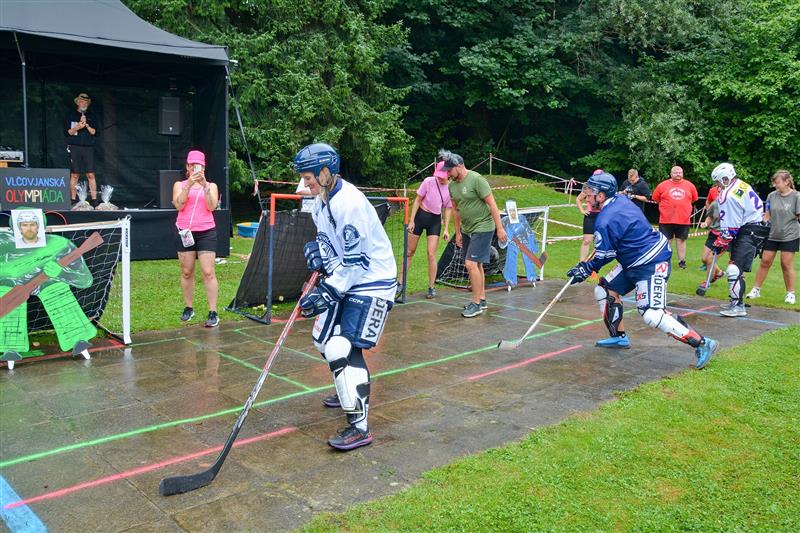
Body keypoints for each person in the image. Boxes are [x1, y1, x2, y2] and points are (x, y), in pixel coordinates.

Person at [295, 143, 396, 450]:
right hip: (351, 279)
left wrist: (326, 292)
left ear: (326, 172)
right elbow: (329, 245)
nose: (305, 184)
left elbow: (357, 263)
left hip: (373, 281)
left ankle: (359, 426)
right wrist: (319, 256)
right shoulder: (320, 201)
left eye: (309, 178)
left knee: (342, 348)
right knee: (322, 340)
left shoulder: (348, 203)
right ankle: (347, 391)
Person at [566, 172, 718, 368]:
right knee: (604, 291)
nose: (586, 194)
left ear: (601, 196)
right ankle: (619, 337)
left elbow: (604, 255)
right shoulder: (619, 200)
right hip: (633, 260)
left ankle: (703, 343)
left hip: (652, 261)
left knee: (651, 313)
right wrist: (586, 266)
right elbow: (608, 246)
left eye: (590, 191)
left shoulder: (605, 219)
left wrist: (585, 269)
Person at [441, 149, 507, 317]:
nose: (447, 174)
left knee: (470, 264)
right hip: (467, 229)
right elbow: (455, 210)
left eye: (449, 170)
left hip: (483, 227)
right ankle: (482, 299)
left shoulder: (477, 180)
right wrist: (458, 233)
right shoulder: (452, 186)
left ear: (459, 166)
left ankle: (476, 303)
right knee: (476, 265)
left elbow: (492, 204)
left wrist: (500, 228)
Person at [709, 163, 768, 317]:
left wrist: (723, 239)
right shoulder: (742, 184)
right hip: (752, 228)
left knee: (734, 269)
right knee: (736, 267)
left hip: (748, 231)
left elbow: (732, 223)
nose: (717, 185)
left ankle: (738, 306)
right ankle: (736, 301)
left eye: (718, 182)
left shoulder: (728, 195)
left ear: (724, 179)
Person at [172, 150, 220, 327]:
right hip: (185, 230)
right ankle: (189, 307)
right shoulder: (180, 184)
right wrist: (188, 186)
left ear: (203, 167)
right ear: (187, 167)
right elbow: (178, 204)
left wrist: (205, 186)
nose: (194, 168)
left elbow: (212, 206)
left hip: (206, 230)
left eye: (197, 165)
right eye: (191, 165)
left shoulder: (212, 186)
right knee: (187, 271)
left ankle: (213, 311)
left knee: (208, 272)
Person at [746, 170, 799, 305]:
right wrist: (762, 223)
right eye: (774, 183)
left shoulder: (796, 197)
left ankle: (790, 294)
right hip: (772, 234)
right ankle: (756, 290)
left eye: (777, 182)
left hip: (790, 235)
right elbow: (767, 214)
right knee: (765, 261)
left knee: (785, 264)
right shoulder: (771, 196)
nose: (774, 185)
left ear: (787, 182)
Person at [403, 160, 452, 298]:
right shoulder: (429, 181)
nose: (440, 178)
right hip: (420, 217)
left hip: (435, 221)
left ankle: (431, 287)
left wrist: (446, 229)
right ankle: (400, 283)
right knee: (409, 252)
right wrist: (411, 220)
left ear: (448, 174)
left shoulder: (450, 188)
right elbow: (418, 200)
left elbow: (448, 209)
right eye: (438, 175)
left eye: (442, 176)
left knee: (431, 254)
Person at [651, 166, 698, 269]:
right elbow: (655, 198)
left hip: (683, 219)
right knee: (666, 241)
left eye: (680, 172)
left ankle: (682, 261)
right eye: (676, 172)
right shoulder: (662, 185)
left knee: (681, 240)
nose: (678, 174)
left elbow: (694, 199)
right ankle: (664, 261)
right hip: (666, 219)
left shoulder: (690, 185)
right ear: (671, 174)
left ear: (682, 173)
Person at [65, 93, 99, 206]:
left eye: (85, 102)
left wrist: (87, 125)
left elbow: (94, 132)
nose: (83, 103)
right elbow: (68, 132)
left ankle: (94, 199)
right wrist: (78, 126)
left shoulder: (92, 116)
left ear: (87, 104)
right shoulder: (70, 115)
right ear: (78, 103)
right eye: (81, 101)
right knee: (75, 174)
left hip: (88, 147)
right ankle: (73, 199)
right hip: (74, 147)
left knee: (90, 174)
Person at [696, 183, 725, 293]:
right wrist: (705, 223)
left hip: (724, 236)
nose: (720, 192)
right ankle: (719, 273)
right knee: (704, 259)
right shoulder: (714, 204)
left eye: (722, 190)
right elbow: (710, 217)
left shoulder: (732, 204)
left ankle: (707, 282)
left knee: (710, 259)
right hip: (713, 234)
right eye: (718, 190)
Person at [576, 169, 605, 261]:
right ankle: (581, 263)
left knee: (598, 243)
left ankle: (592, 265)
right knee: (586, 240)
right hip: (590, 215)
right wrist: (582, 210)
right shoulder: (588, 187)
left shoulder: (604, 189)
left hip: (601, 216)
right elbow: (578, 199)